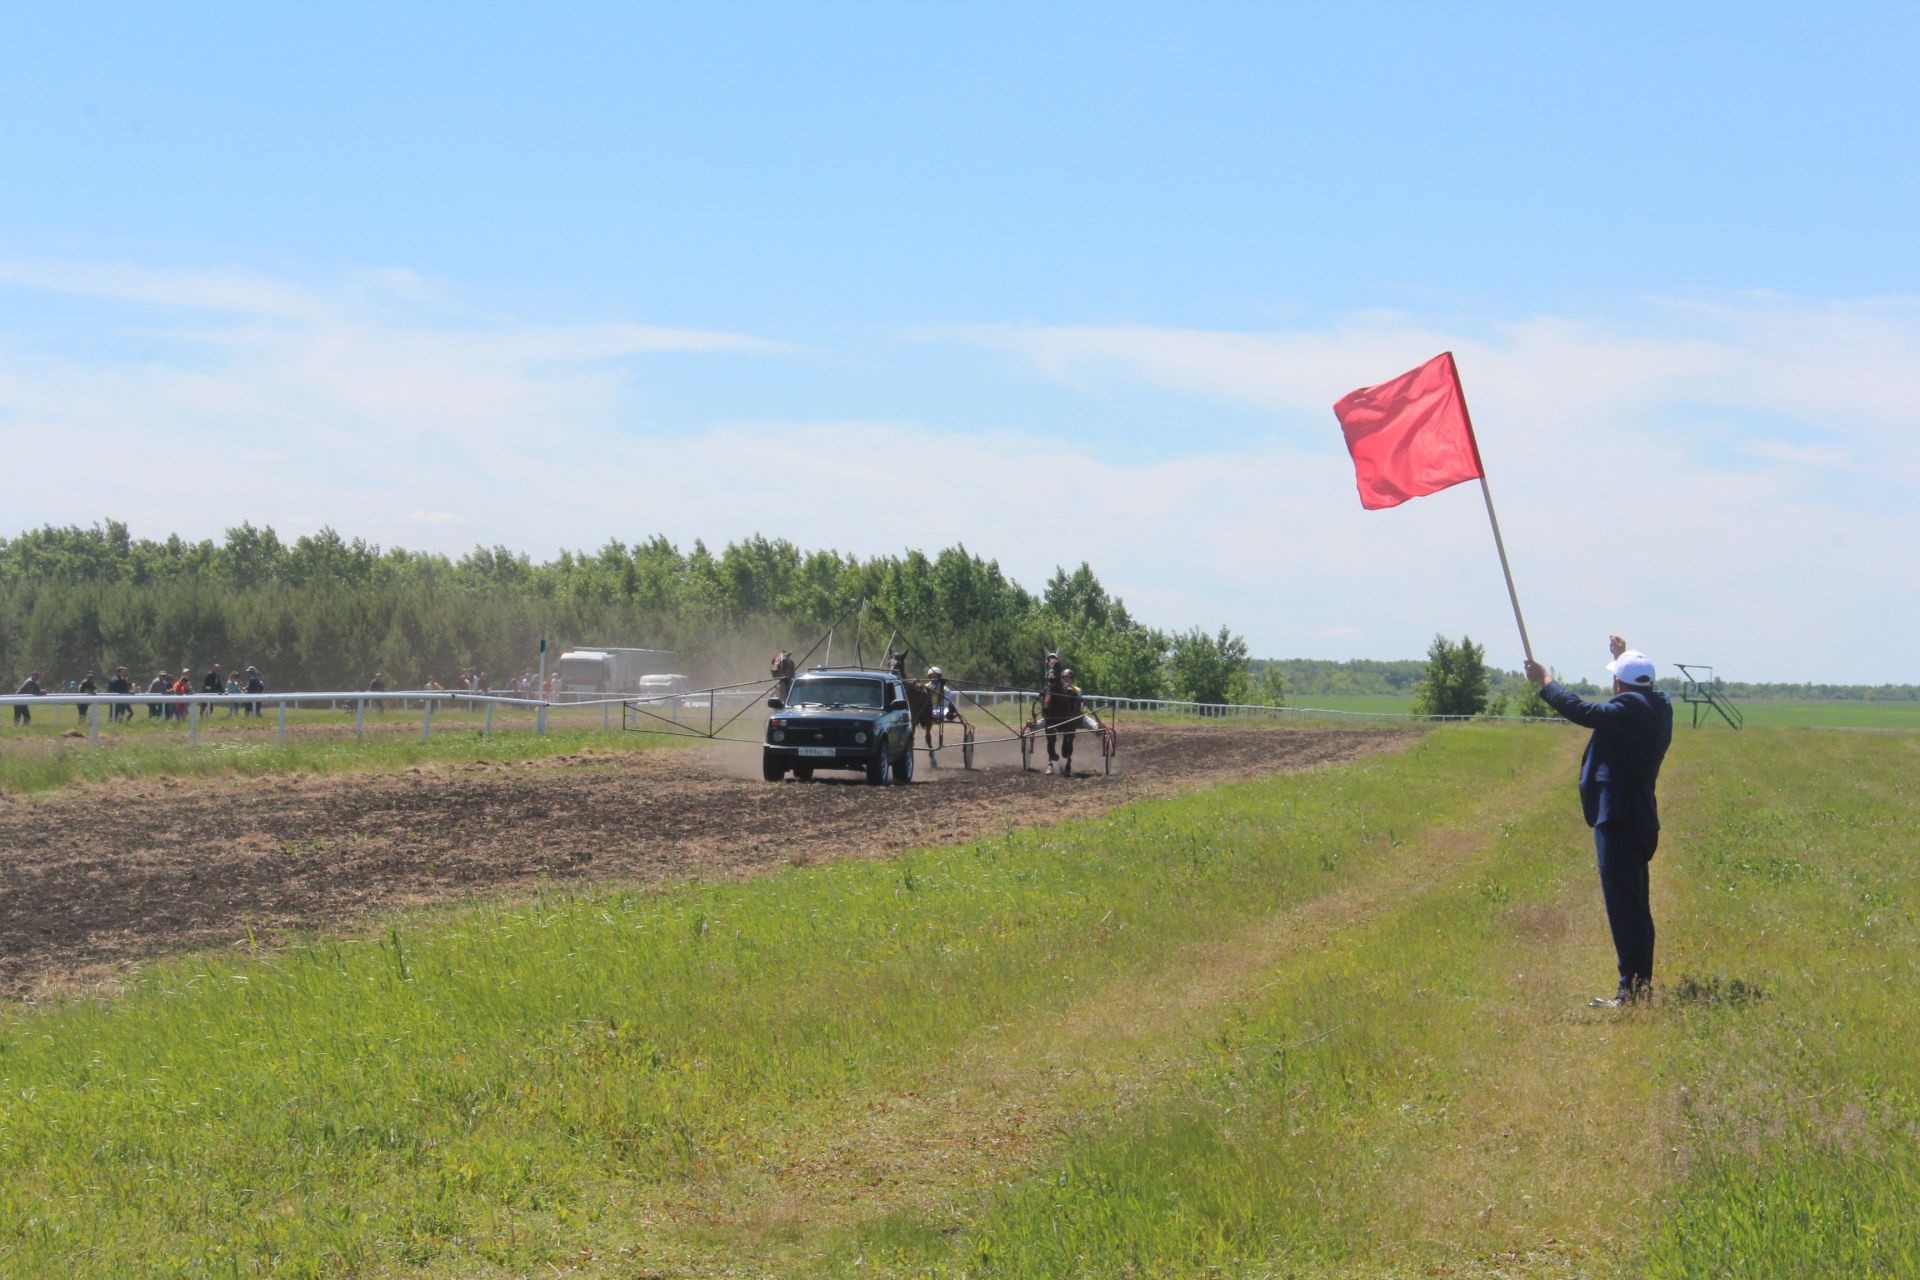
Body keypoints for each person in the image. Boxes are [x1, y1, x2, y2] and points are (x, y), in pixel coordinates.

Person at [1525, 635, 1673, 1009]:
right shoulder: (1659, 705)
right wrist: (1623, 657)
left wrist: (1546, 682)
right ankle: (1638, 986)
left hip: (1619, 818)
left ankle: (1632, 992)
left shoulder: (1628, 711)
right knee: (1634, 905)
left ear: (1618, 684)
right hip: (1638, 818)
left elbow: (1580, 710)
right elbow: (1635, 688)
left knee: (1625, 908)